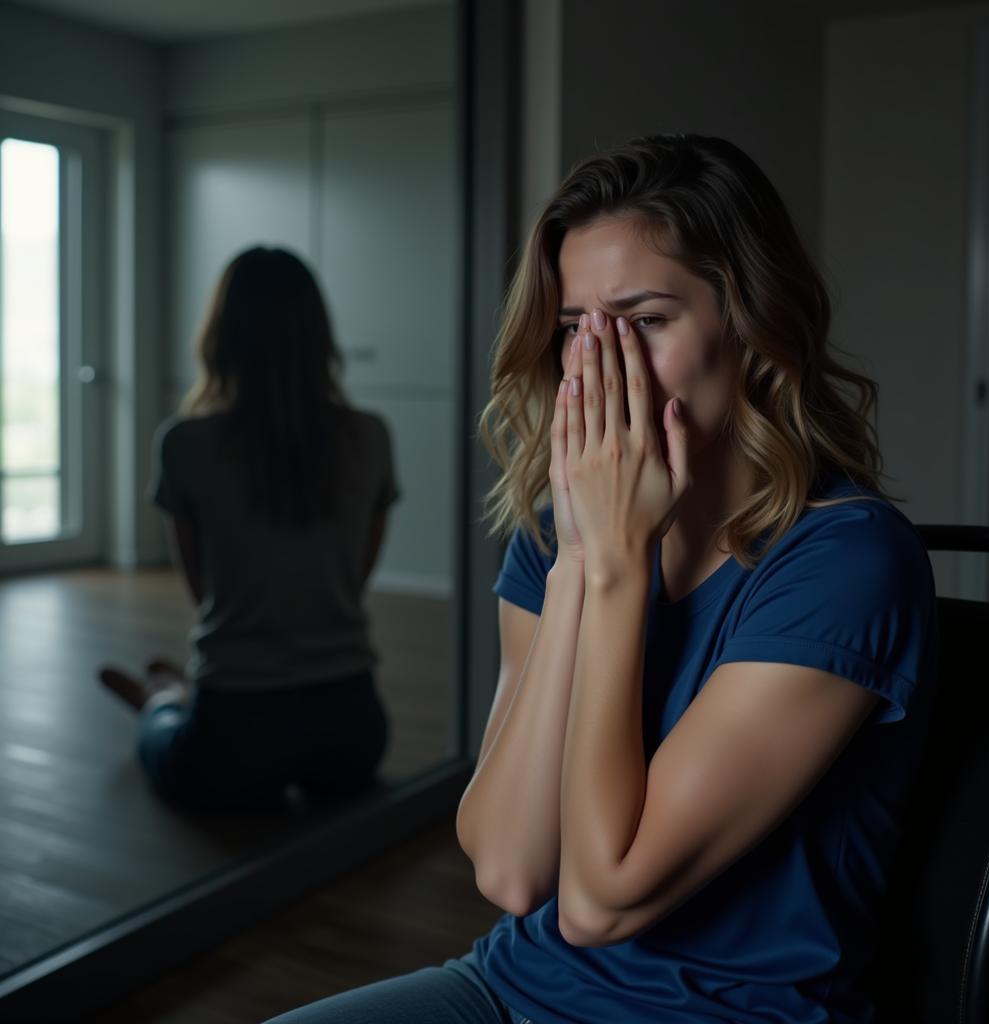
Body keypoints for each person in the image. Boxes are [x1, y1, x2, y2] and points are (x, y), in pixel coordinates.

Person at [266, 134, 937, 1022]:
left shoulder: (848, 560)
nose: (598, 362)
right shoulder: (558, 535)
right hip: (512, 986)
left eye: (646, 320)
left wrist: (616, 565)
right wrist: (581, 559)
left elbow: (599, 900)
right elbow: (510, 868)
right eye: (579, 326)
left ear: (750, 323)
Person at [99, 246, 398, 810]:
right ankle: (175, 695)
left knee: (160, 736)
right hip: (354, 732)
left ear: (220, 336)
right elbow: (356, 574)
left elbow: (203, 590)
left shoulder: (183, 443)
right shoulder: (371, 436)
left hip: (233, 731)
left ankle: (159, 698)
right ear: (319, 336)